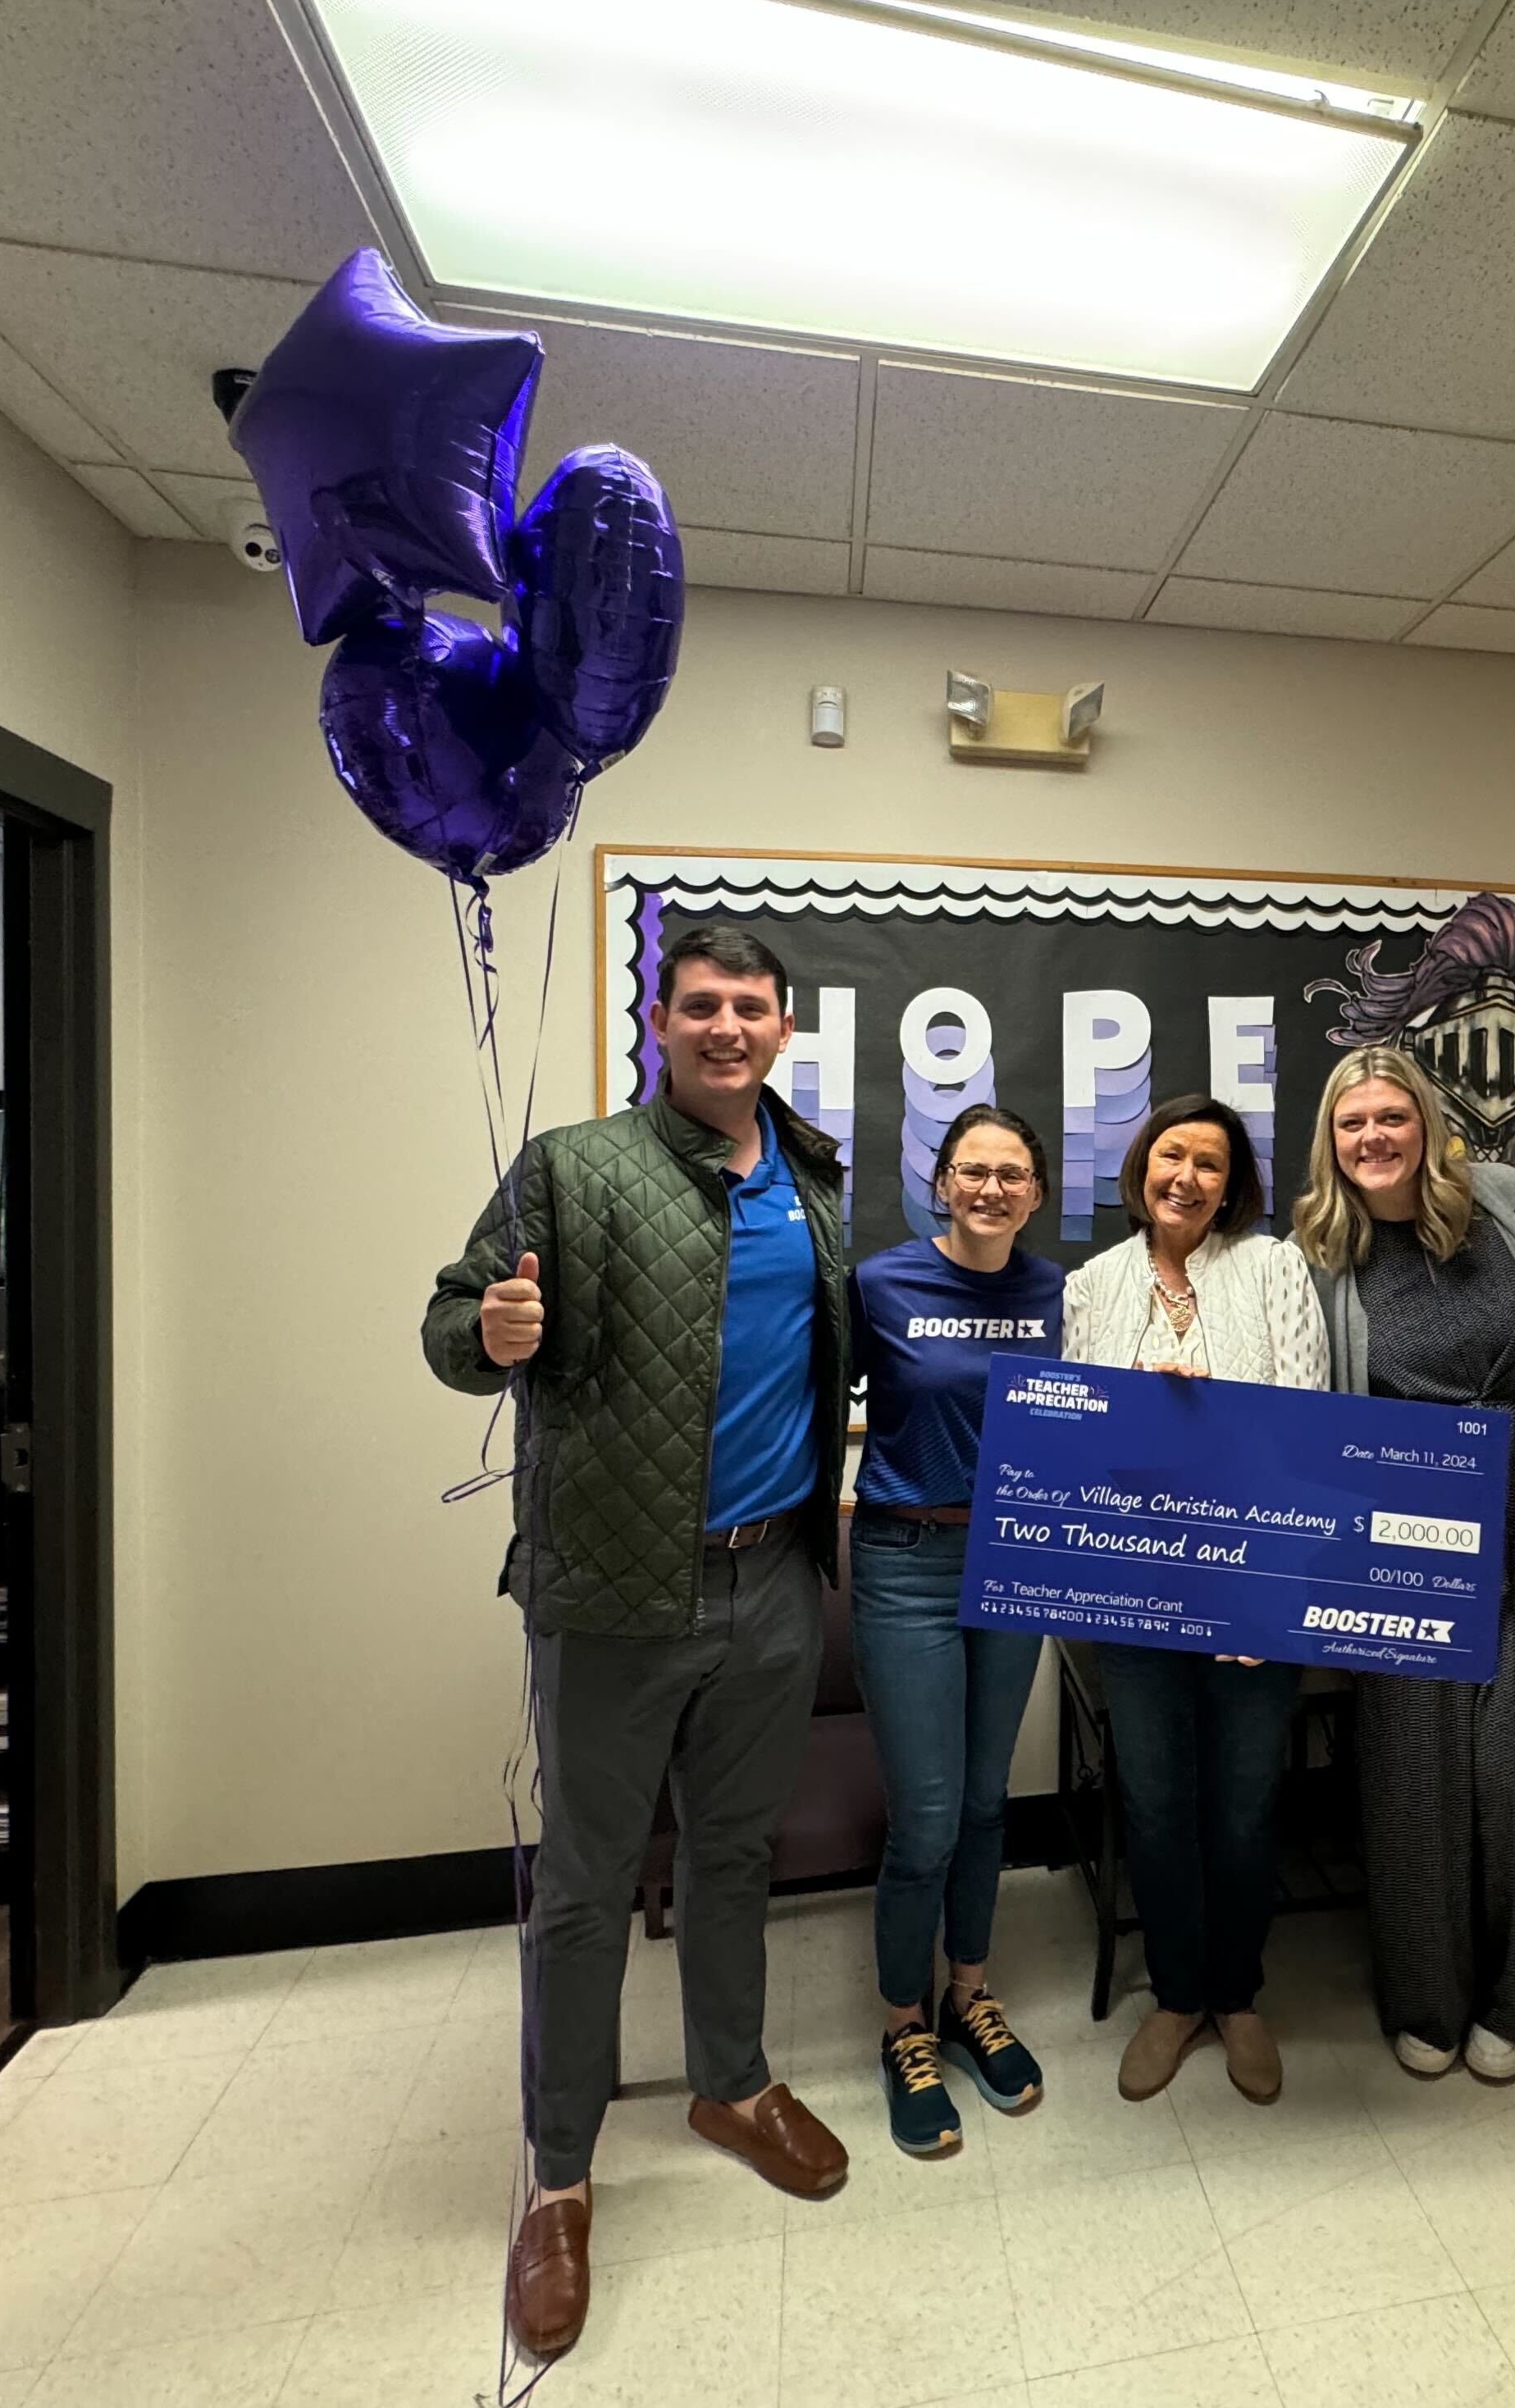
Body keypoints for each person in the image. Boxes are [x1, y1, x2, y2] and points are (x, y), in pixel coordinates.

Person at [421, 923, 854, 2362]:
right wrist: (486, 1328)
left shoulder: (814, 1175)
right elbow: (444, 1321)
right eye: (702, 1005)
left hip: (777, 1580)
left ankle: (731, 2081)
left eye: (752, 1006)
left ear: (783, 1025)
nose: (728, 1027)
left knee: (737, 1853)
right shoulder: (573, 1163)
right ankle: (555, 2173)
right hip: (610, 1590)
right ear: (659, 1020)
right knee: (587, 1888)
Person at [1294, 1045, 1515, 2084]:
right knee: (1411, 1769)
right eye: (1352, 1124)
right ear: (1330, 1143)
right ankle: (1427, 1996)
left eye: (1390, 1116)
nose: (1373, 1137)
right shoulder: (1318, 1247)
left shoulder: (1513, 1203)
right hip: (1395, 1521)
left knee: (1513, 1764)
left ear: (1426, 1121)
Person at [1059, 1095, 1327, 2106]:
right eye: (1172, 1155)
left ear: (1232, 1183)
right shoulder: (1092, 1285)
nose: (1188, 1177)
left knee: (1247, 1802)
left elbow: (1305, 1424)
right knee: (1159, 1802)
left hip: (1251, 1587)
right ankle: (1177, 1995)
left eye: (1210, 1164)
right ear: (1141, 1168)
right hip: (1134, 1594)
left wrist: (1279, 1588)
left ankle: (1238, 1993)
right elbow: (1075, 1438)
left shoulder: (1274, 1268)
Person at [847, 1102, 1065, 2159]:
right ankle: (903, 2024)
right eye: (972, 1171)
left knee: (987, 1801)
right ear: (941, 1182)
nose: (990, 1189)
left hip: (1015, 1555)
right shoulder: (880, 1283)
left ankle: (972, 1994)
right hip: (904, 1560)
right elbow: (798, 1394)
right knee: (926, 1813)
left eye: (1011, 1175)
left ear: (1036, 1192)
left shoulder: (1059, 1293)